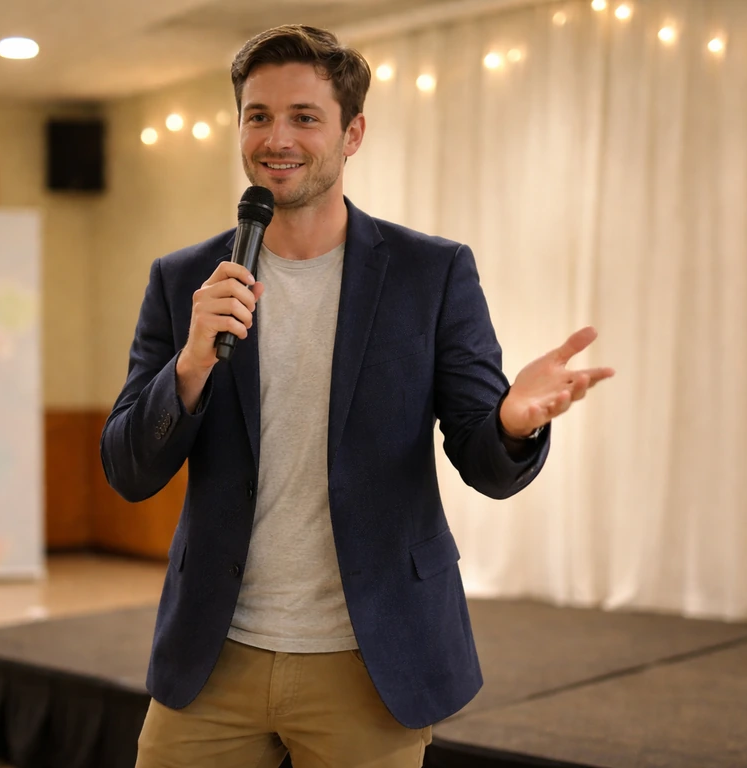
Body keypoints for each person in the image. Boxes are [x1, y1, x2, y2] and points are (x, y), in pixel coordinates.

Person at [100, 23, 614, 768]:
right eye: (259, 115)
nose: (278, 138)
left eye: (305, 117)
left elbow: (483, 458)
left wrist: (509, 422)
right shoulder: (184, 281)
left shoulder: (430, 274)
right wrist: (187, 367)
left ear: (353, 133)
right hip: (212, 655)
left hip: (370, 659)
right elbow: (128, 469)